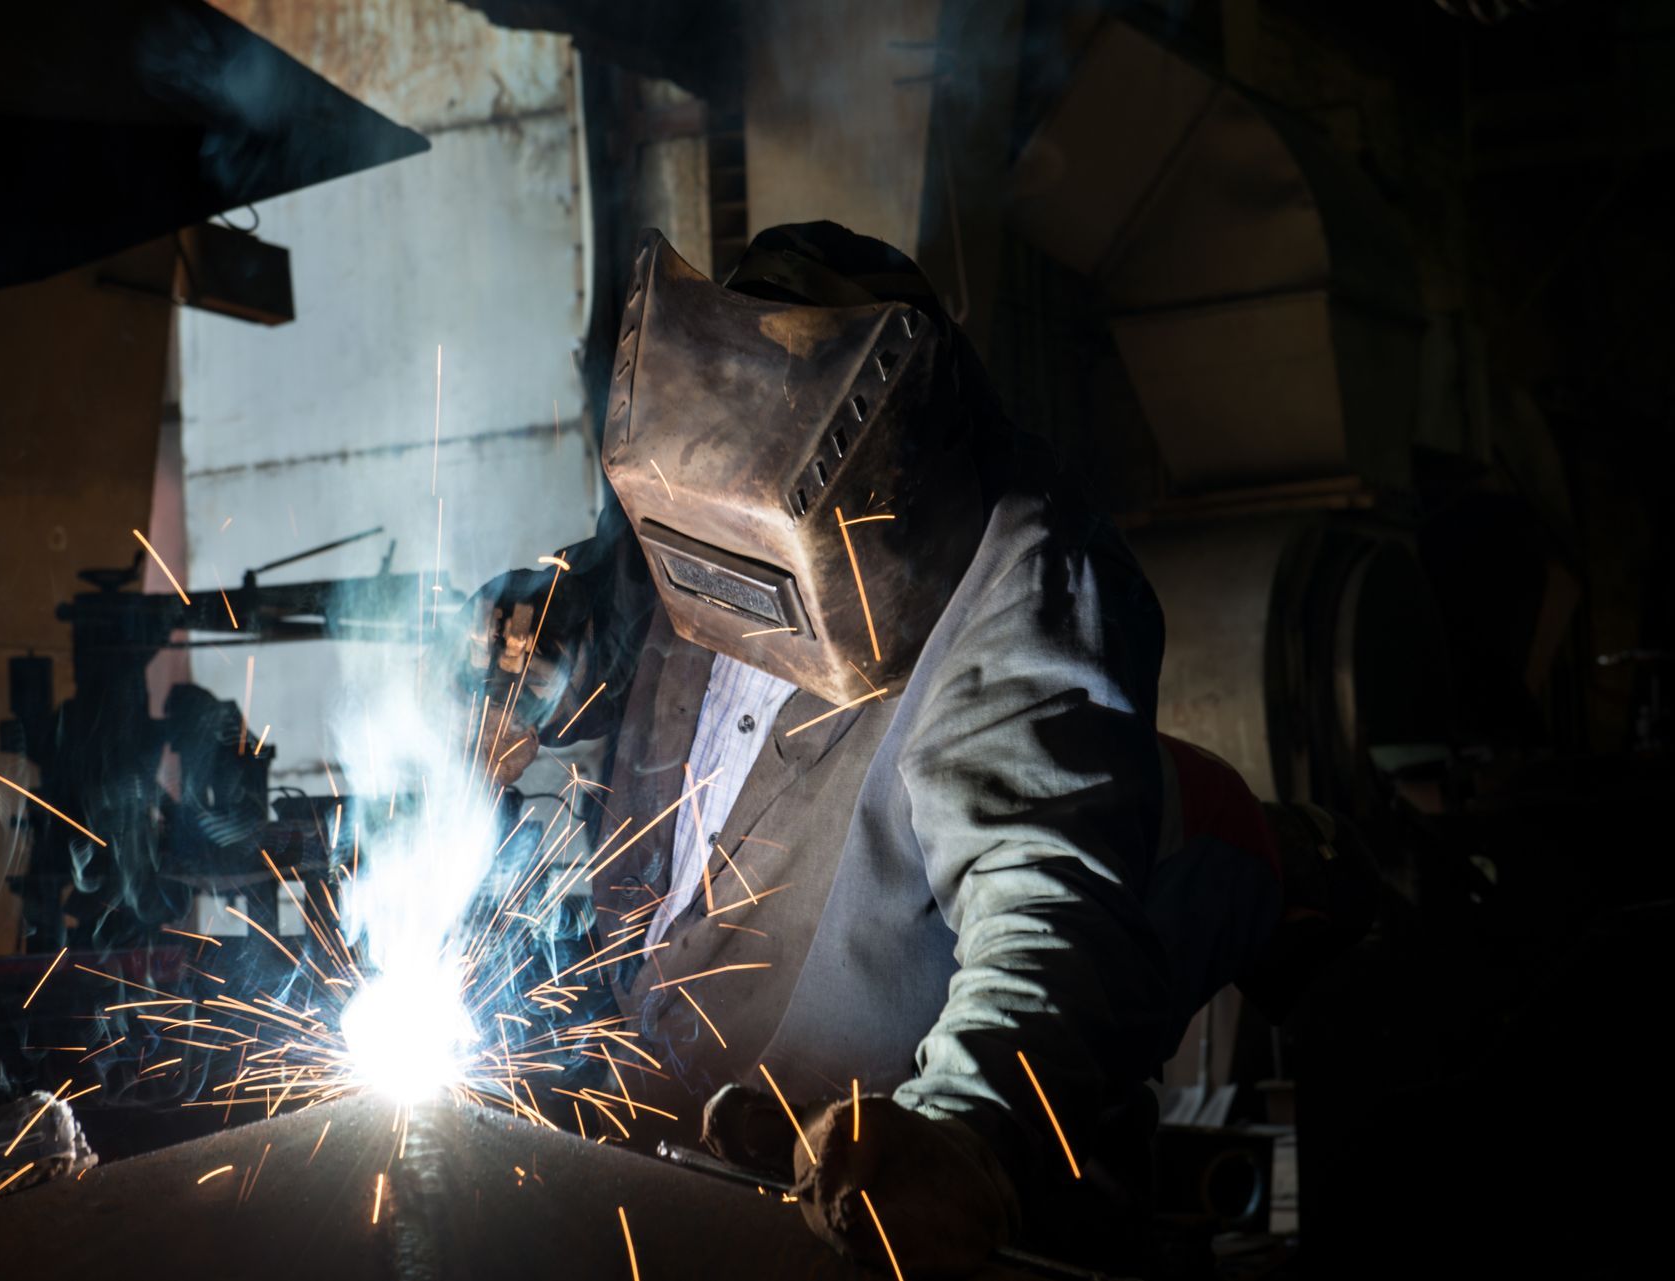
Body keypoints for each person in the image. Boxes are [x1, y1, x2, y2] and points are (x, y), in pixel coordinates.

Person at [463, 223, 1286, 1275]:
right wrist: (533, 633)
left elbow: (1045, 903)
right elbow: (620, 596)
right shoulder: (704, 482)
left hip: (849, 1179)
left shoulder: (1015, 567)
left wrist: (963, 1132)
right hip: (657, 1133)